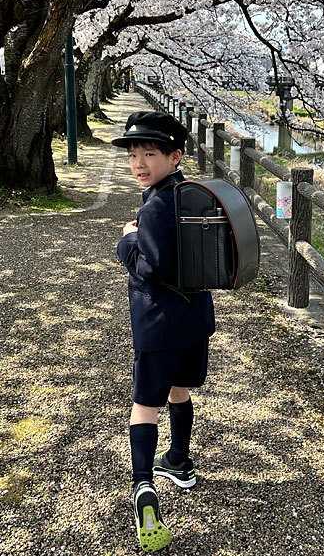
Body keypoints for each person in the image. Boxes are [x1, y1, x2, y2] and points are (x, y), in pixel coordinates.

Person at [115, 111, 215, 552]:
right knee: (180, 389)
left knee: (144, 405)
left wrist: (127, 240)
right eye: (134, 155)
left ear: (175, 156)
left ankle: (143, 487)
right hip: (194, 320)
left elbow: (151, 267)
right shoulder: (191, 194)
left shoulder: (154, 205)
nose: (139, 164)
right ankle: (179, 462)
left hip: (158, 325)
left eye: (149, 154)